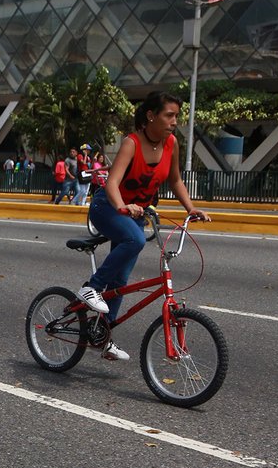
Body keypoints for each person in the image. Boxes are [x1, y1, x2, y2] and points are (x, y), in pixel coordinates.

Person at [76, 92, 211, 361]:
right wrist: (121, 206)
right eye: (169, 115)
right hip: (108, 207)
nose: (175, 121)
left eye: (177, 116)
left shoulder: (171, 144)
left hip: (134, 213)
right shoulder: (132, 143)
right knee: (135, 240)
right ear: (151, 116)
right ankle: (90, 287)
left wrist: (190, 208)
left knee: (120, 282)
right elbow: (112, 182)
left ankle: (102, 335)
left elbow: (175, 181)